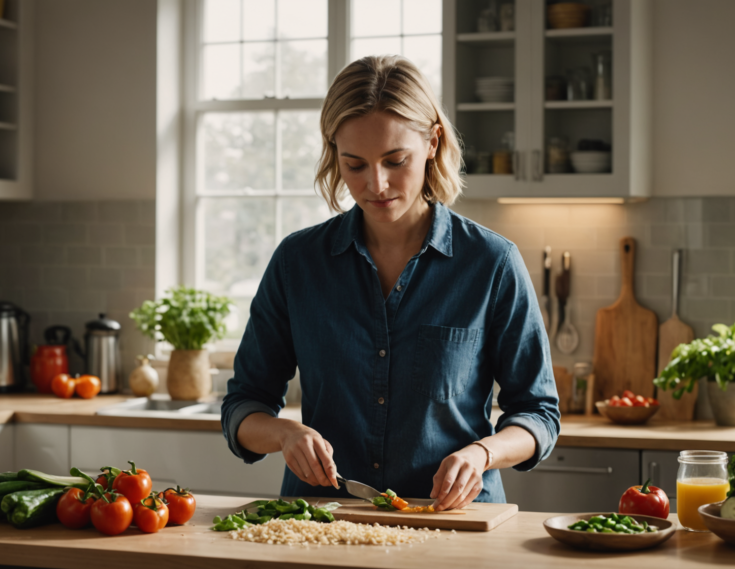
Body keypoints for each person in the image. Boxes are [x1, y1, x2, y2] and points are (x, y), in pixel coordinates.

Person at [220, 55, 560, 510]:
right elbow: (244, 405)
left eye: (395, 160)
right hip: (321, 524)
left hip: (452, 527)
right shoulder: (296, 263)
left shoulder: (492, 263)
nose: (376, 184)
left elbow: (539, 413)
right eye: (354, 164)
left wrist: (483, 453)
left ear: (433, 143)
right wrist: (285, 433)